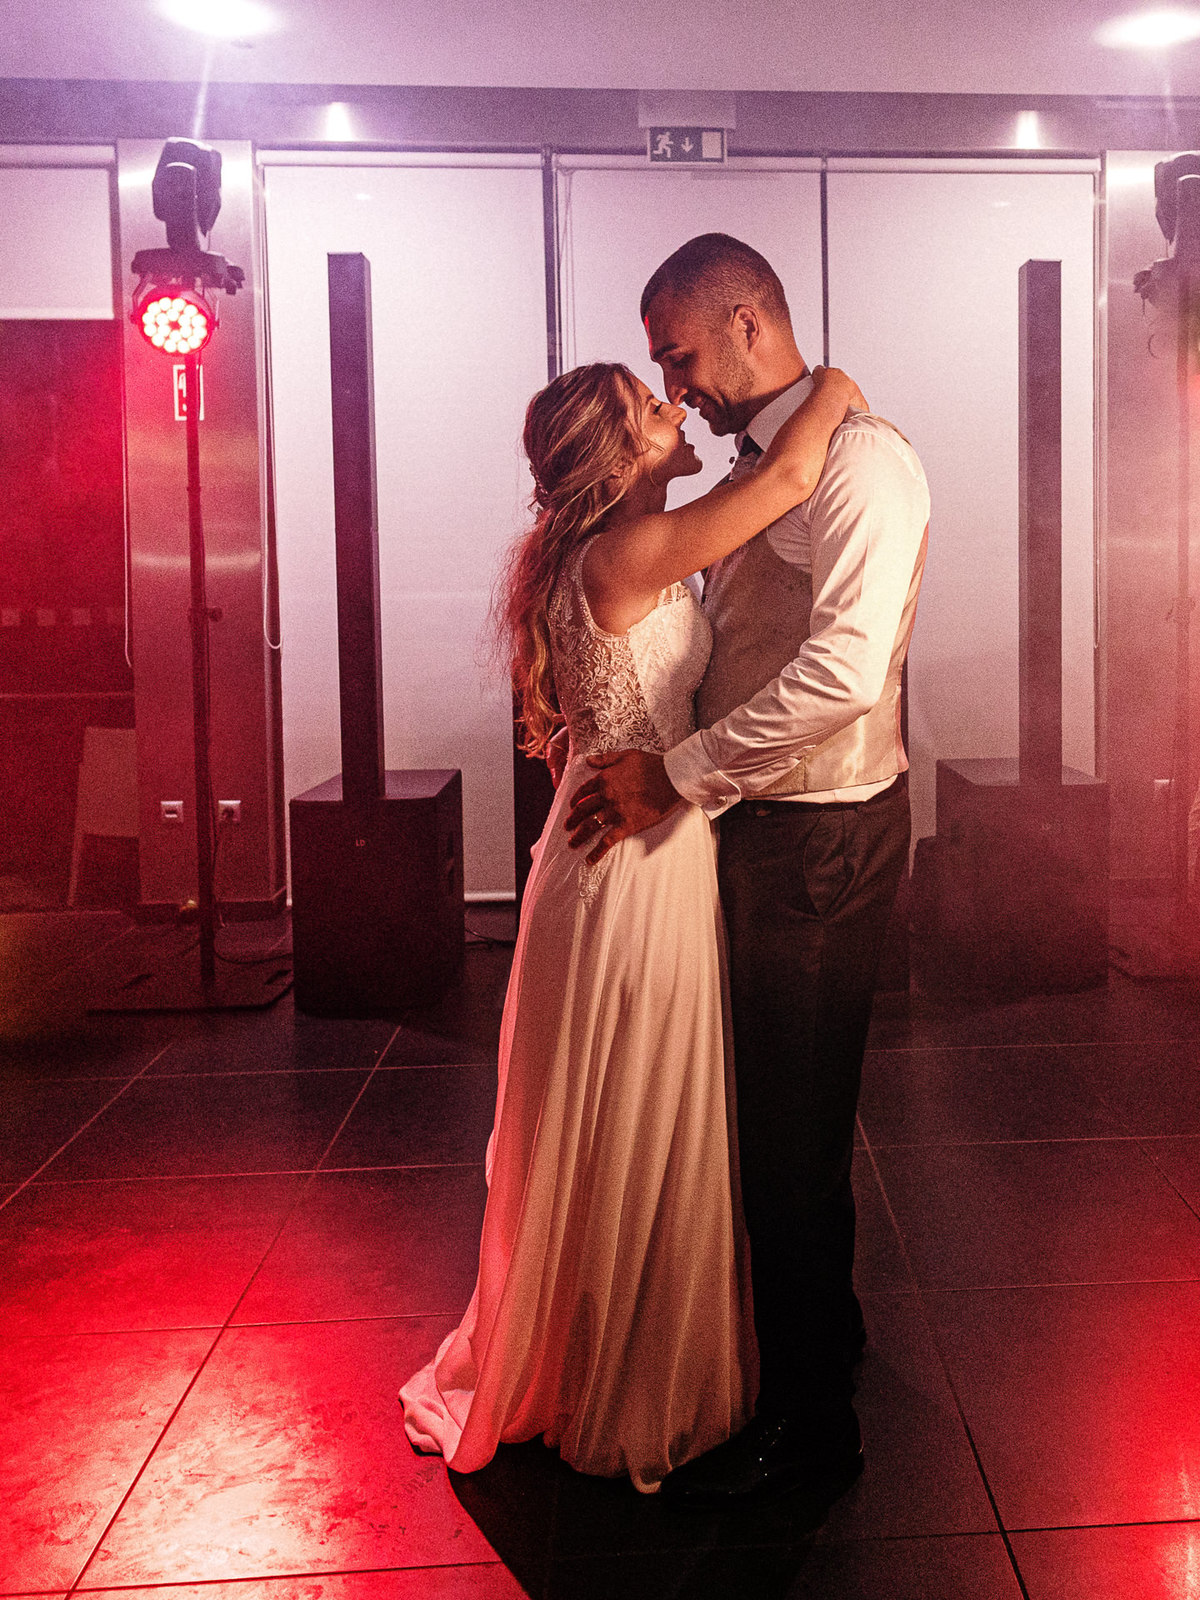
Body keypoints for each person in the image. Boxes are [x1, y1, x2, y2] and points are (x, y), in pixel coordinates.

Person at [399, 357, 863, 1494]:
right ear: (622, 454)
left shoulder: (614, 550)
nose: (679, 406)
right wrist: (834, 382)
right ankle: (628, 1374)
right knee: (635, 1091)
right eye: (656, 407)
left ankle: (604, 1349)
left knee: (622, 1097)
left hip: (627, 840)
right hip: (631, 860)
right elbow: (786, 476)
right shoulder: (627, 551)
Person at [565, 233, 931, 1506]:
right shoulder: (770, 464)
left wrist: (679, 774)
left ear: (745, 322)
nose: (676, 388)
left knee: (789, 1137)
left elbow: (843, 674)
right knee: (766, 1120)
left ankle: (814, 1426)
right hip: (751, 829)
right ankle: (821, 1342)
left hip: (818, 839)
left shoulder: (863, 462)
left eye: (679, 355)